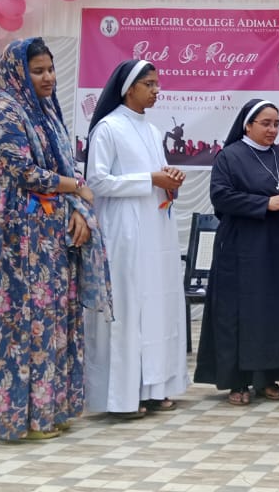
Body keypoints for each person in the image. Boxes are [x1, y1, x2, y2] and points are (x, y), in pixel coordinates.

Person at [0, 38, 111, 442]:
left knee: (53, 319)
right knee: (21, 320)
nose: (48, 78)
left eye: (50, 69)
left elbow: (61, 164)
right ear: (17, 73)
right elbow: (25, 171)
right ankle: (19, 417)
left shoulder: (46, 111)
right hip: (17, 231)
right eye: (37, 71)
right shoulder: (2, 112)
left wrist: (78, 210)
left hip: (51, 230)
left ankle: (50, 409)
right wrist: (77, 188)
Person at [83, 59, 189, 419]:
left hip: (155, 228)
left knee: (155, 308)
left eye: (158, 83)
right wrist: (150, 180)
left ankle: (153, 387)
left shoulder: (152, 129)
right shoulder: (108, 129)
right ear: (129, 88)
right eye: (150, 84)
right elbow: (96, 182)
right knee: (129, 310)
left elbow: (157, 177)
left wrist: (169, 181)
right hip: (124, 231)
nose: (157, 90)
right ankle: (122, 397)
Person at [194, 100, 279, 406]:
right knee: (241, 311)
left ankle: (269, 376)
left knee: (275, 311)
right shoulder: (229, 156)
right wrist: (266, 204)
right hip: (242, 246)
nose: (273, 129)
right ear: (248, 125)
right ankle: (237, 380)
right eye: (266, 123)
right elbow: (221, 197)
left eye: (276, 124)